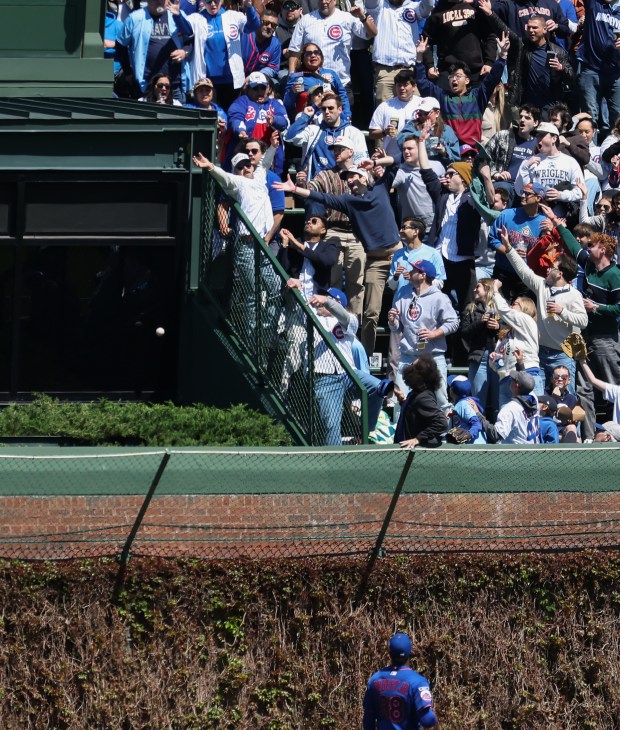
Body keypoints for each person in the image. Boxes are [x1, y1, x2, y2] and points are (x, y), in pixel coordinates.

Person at [274, 154, 404, 354]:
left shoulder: (380, 187)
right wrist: (296, 190)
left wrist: (375, 163)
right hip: (375, 260)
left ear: (363, 177)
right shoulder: (348, 202)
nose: (349, 181)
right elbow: (322, 197)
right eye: (347, 178)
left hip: (399, 255)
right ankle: (365, 356)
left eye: (352, 176)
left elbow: (398, 160)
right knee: (371, 313)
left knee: (403, 308)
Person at [497, 221, 588, 389]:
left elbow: (583, 321)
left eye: (552, 267)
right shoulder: (542, 285)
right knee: (539, 400)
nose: (547, 269)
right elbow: (524, 272)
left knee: (564, 400)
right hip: (540, 353)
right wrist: (509, 248)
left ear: (560, 274)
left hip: (563, 355)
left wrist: (562, 311)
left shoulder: (574, 294)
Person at [296, 135, 366, 318]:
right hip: (333, 229)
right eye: (334, 149)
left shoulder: (362, 173)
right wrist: (301, 184)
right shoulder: (326, 174)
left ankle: (353, 327)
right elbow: (311, 189)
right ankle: (332, 325)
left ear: (351, 151)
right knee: (332, 281)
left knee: (356, 284)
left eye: (340, 149)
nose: (336, 152)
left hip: (357, 232)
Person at [417, 128, 481, 315]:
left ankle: (465, 344)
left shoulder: (472, 199)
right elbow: (426, 171)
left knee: (467, 308)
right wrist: (422, 141)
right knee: (434, 305)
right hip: (439, 258)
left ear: (462, 178)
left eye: (451, 173)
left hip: (462, 260)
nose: (446, 177)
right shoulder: (443, 196)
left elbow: (487, 198)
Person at [414, 33, 511, 147]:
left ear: (467, 80)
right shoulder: (443, 97)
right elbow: (422, 83)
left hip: (472, 150)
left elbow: (492, 79)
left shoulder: (477, 96)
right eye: (451, 77)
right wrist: (419, 57)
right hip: (449, 149)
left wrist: (503, 55)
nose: (454, 79)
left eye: (458, 76)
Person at [388, 260, 459, 412]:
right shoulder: (405, 296)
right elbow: (397, 328)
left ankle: (445, 436)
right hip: (408, 357)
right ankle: (401, 436)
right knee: (400, 402)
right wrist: (392, 321)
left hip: (432, 357)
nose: (409, 272)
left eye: (414, 270)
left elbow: (453, 322)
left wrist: (434, 333)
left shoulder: (439, 297)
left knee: (441, 401)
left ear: (422, 275)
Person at [287, 0, 377, 98]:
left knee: (345, 113)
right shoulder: (306, 20)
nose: (324, 2)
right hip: (313, 84)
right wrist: (292, 77)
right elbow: (294, 52)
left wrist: (362, 16)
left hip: (341, 82)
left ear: (335, 1)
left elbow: (371, 33)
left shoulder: (347, 17)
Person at [306, 288, 359, 445]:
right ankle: (335, 459)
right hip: (326, 376)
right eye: (324, 297)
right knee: (331, 423)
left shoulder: (351, 319)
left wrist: (328, 302)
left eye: (328, 298)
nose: (321, 301)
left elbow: (343, 315)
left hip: (350, 373)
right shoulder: (312, 314)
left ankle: (368, 426)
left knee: (381, 387)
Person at [187, 0, 260, 110]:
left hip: (232, 80)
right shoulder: (195, 18)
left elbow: (254, 26)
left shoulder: (234, 16)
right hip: (208, 82)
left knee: (232, 116)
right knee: (211, 118)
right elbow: (183, 29)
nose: (212, 4)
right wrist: (177, 14)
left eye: (216, 1)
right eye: (208, 1)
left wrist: (249, 7)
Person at [116, 0, 194, 102]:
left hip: (174, 85)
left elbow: (190, 37)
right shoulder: (135, 18)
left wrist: (184, 52)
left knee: (178, 117)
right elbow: (120, 45)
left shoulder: (177, 14)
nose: (159, 2)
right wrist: (128, 73)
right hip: (146, 85)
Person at [363, 632, 439, 728]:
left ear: (390, 653)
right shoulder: (418, 682)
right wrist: (434, 717)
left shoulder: (375, 679)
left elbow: (368, 719)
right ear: (409, 651)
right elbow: (427, 720)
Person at [285, 91, 366, 180]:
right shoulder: (313, 130)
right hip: (314, 186)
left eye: (330, 108)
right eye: (324, 109)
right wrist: (306, 116)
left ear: (340, 110)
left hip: (341, 186)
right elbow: (289, 137)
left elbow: (361, 164)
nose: (327, 112)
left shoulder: (354, 133)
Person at [365, 0, 433, 104]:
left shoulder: (413, 7)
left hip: (409, 71)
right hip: (385, 72)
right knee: (386, 112)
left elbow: (428, 6)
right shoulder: (379, 5)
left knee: (414, 113)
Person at [419, 0, 499, 87]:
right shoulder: (437, 12)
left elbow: (490, 36)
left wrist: (489, 62)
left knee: (477, 100)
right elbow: (426, 41)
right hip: (449, 71)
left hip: (477, 71)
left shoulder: (475, 7)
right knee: (444, 99)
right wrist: (430, 65)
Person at [226, 71, 289, 175]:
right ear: (248, 89)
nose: (259, 91)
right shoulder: (241, 101)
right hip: (247, 154)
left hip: (270, 155)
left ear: (268, 88)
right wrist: (241, 130)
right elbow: (235, 117)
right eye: (255, 88)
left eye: (262, 88)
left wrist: (274, 119)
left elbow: (284, 122)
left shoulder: (275, 104)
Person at [514, 122, 584, 214]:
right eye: (537, 136)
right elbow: (519, 191)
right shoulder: (529, 162)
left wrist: (561, 195)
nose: (538, 139)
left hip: (562, 218)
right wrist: (525, 168)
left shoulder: (570, 162)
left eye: (542, 136)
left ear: (554, 138)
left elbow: (580, 191)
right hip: (536, 215)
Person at [490, 282, 541, 407]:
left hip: (527, 373)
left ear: (526, 307)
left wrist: (495, 290)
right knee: (506, 420)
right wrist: (493, 360)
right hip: (506, 380)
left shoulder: (526, 320)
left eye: (515, 304)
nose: (511, 306)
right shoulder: (506, 333)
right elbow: (499, 363)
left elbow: (504, 311)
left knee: (529, 416)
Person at [575, 0, 620, 132]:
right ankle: (588, 150)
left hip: (616, 72)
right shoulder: (594, 3)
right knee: (589, 116)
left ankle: (615, 149)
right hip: (591, 67)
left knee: (617, 115)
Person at [282, 42, 351, 122]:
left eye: (316, 52)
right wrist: (292, 92)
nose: (313, 55)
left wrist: (347, 115)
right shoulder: (296, 77)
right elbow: (287, 105)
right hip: (309, 119)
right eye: (308, 53)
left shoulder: (331, 73)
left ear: (321, 56)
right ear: (302, 58)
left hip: (331, 117)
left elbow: (343, 95)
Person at [460, 278, 500, 412]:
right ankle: (478, 431)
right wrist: (480, 322)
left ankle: (498, 431)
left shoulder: (500, 308)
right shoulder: (471, 309)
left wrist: (498, 327)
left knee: (499, 400)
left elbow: (510, 330)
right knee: (477, 400)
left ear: (487, 289)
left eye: (478, 287)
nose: (474, 290)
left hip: (498, 357)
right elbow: (464, 333)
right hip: (479, 357)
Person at [394, 356, 449, 448]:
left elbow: (441, 422)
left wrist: (418, 439)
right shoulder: (417, 392)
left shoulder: (424, 397)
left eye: (412, 366)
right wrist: (403, 403)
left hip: (417, 453)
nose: (409, 368)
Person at [278, 215, 338, 297]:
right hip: (296, 297)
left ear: (323, 230)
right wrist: (284, 242)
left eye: (314, 221)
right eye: (307, 221)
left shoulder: (328, 246)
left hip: (317, 299)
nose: (309, 222)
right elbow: (282, 266)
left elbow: (327, 261)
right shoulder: (295, 243)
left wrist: (298, 245)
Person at [368, 70, 421, 160]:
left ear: (414, 87)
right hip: (392, 159)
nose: (402, 88)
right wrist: (385, 132)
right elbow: (372, 134)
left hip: (417, 159)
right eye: (399, 85)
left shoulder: (422, 104)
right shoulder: (385, 106)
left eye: (405, 85)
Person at [485, 104, 541, 187]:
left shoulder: (538, 144)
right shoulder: (502, 136)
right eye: (521, 116)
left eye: (527, 118)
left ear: (535, 123)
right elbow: (483, 157)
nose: (522, 120)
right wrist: (496, 173)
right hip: (504, 185)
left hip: (526, 188)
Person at [485, 369, 542, 444]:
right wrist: (520, 365)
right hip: (535, 451)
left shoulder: (510, 408)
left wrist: (479, 416)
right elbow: (527, 384)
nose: (510, 381)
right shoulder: (535, 400)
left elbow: (496, 434)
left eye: (512, 380)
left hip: (516, 453)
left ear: (516, 385)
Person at [241, 7, 282, 78]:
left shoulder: (275, 44)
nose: (269, 27)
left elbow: (273, 68)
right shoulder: (245, 35)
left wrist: (256, 76)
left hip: (257, 80)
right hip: (235, 76)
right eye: (266, 23)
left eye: (273, 25)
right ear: (259, 21)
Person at [447, 374, 487, 443]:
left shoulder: (463, 404)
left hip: (475, 447)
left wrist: (469, 434)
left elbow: (477, 424)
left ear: (452, 391)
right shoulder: (468, 401)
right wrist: (455, 413)